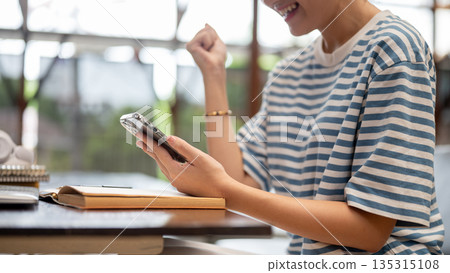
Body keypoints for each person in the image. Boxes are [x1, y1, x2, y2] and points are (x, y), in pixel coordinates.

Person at [136, 0, 444, 254]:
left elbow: (369, 230)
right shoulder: (287, 74)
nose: (269, 2)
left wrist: (221, 188)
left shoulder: (395, 51)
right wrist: (213, 74)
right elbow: (238, 180)